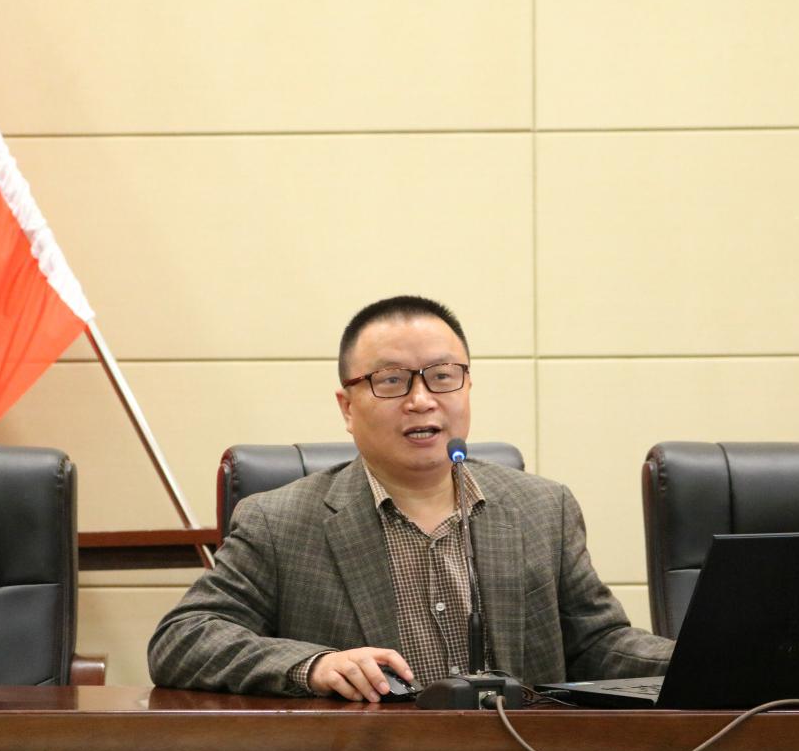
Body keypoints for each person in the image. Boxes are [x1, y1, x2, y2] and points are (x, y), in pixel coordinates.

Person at [148, 295, 673, 701]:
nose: (421, 401)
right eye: (391, 381)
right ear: (347, 407)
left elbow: (597, 644)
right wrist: (313, 666)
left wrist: (702, 658)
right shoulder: (280, 522)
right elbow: (183, 639)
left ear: (467, 387)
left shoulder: (543, 508)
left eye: (443, 377)